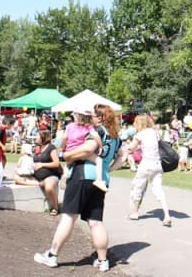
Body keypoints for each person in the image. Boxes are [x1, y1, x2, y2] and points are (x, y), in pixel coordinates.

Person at [34, 103, 123, 272]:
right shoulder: (116, 136)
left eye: (94, 115)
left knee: (68, 216)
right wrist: (109, 169)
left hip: (83, 175)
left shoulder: (97, 132)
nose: (91, 118)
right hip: (101, 179)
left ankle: (52, 255)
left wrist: (67, 155)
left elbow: (88, 149)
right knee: (96, 222)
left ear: (100, 117)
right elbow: (122, 156)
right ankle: (103, 260)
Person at [127, 115, 172, 226]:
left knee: (138, 187)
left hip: (146, 164)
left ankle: (135, 212)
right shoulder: (155, 132)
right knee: (158, 189)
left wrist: (126, 147)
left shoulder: (139, 134)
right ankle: (167, 215)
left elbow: (131, 148)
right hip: (157, 164)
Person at [14, 129, 62, 216]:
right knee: (16, 178)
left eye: (37, 136)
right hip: (36, 176)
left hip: (50, 175)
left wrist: (42, 165)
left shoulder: (51, 147)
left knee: (49, 187)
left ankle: (55, 207)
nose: (35, 137)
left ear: (43, 137)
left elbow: (56, 163)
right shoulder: (37, 148)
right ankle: (40, 184)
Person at [61, 108, 107, 192]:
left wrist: (63, 147)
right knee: (99, 160)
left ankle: (64, 177)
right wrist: (100, 146)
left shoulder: (69, 126)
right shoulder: (88, 127)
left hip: (70, 150)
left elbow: (64, 138)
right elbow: (96, 136)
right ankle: (99, 180)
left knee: (67, 165)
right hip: (82, 151)